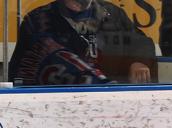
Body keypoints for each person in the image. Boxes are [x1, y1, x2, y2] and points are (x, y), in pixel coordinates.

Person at [9, 0, 156, 85]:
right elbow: (19, 75)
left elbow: (140, 42)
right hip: (58, 108)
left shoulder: (113, 14)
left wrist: (139, 61)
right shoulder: (37, 21)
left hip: (110, 103)